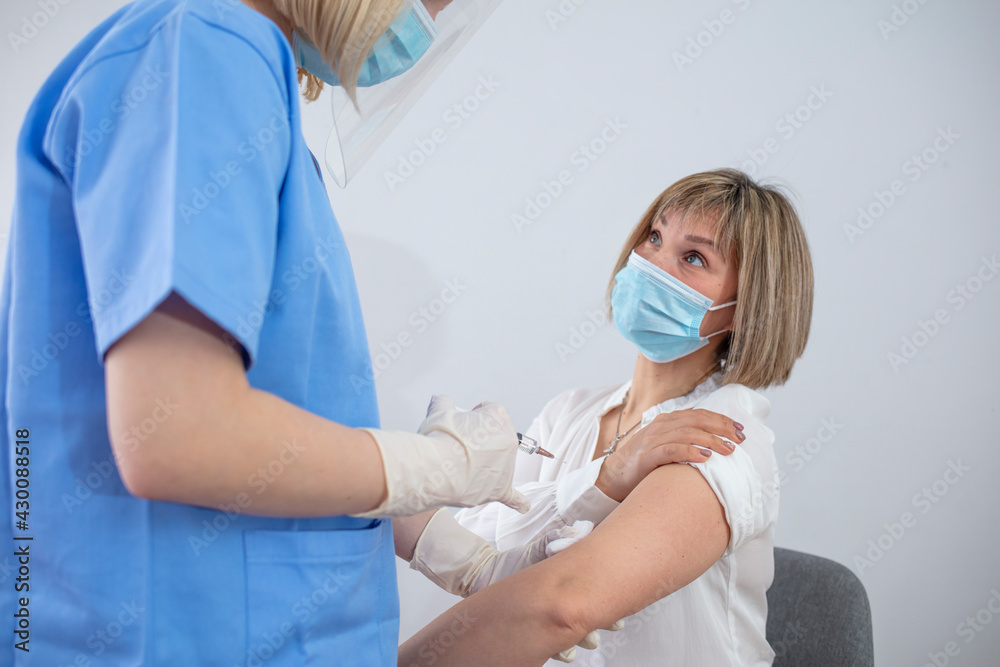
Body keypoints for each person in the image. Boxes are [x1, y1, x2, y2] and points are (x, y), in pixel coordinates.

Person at [0, 1, 528, 664]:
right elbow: (176, 433)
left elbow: (270, 436)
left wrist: (457, 550)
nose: (426, 15)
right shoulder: (204, 50)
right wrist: (435, 467)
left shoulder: (227, 72)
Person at [398, 168, 815, 666]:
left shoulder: (716, 439)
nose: (652, 263)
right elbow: (490, 559)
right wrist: (420, 480)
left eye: (694, 257)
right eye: (655, 236)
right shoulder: (573, 411)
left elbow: (557, 608)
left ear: (745, 307)